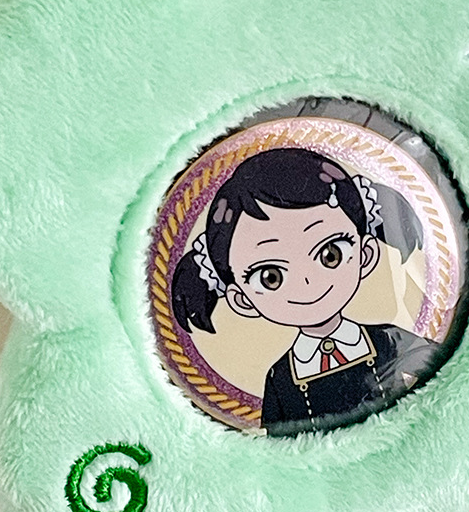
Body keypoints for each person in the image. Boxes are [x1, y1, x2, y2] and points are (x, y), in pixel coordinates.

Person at [170, 147, 439, 435]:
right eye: (271, 277)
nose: (307, 283)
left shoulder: (389, 340)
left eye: (330, 255)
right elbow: (279, 446)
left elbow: (445, 375)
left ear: (365, 254)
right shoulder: (280, 378)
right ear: (242, 299)